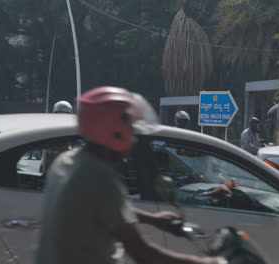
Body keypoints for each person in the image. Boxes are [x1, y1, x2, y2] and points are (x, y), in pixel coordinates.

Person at [36, 87, 226, 264]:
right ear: (113, 131)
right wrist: (207, 262)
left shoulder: (68, 161)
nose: (133, 138)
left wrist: (153, 219)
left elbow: (102, 207)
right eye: (131, 130)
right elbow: (141, 251)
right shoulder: (100, 176)